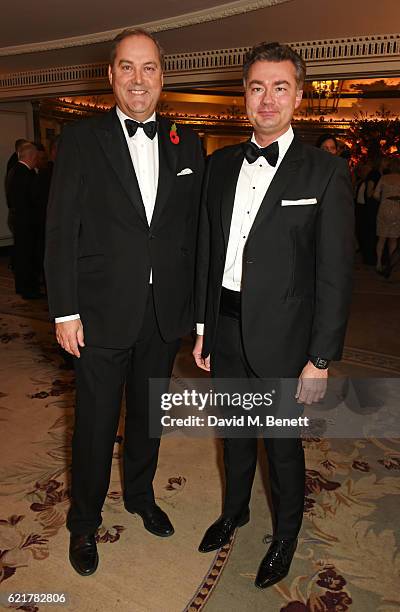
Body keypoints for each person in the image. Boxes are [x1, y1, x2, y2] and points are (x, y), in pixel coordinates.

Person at [193, 41, 354, 589]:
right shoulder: (218, 166)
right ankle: (235, 509)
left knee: (280, 444)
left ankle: (286, 531)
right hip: (227, 325)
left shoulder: (326, 173)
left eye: (280, 87)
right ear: (244, 94)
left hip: (287, 337)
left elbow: (335, 274)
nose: (267, 99)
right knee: (235, 431)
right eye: (257, 86)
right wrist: (203, 328)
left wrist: (320, 358)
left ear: (299, 97)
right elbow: (208, 254)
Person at [45, 28, 204, 576]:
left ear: (164, 76)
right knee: (93, 425)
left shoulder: (189, 143)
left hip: (163, 318)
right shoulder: (81, 139)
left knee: (148, 419)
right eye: (128, 68)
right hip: (99, 314)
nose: (139, 79)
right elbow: (61, 230)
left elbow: (193, 234)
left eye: (150, 68)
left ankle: (139, 495)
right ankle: (83, 524)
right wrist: (65, 310)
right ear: (110, 75)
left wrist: (200, 314)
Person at [6, 142, 41, 298]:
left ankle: (22, 287)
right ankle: (29, 290)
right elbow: (32, 200)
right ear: (32, 156)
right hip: (27, 222)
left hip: (18, 220)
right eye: (36, 157)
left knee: (21, 255)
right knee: (27, 256)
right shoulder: (26, 174)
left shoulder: (14, 171)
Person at [374, 156, 400, 275]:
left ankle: (379, 263)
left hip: (384, 208)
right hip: (397, 209)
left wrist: (383, 200)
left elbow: (375, 195)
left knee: (382, 238)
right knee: (393, 239)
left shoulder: (384, 178)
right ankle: (391, 264)